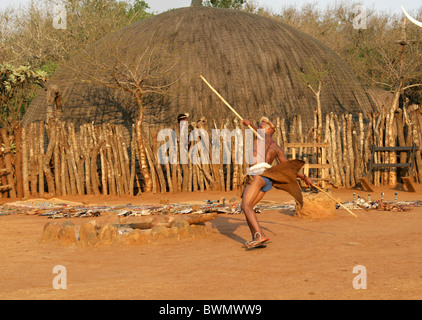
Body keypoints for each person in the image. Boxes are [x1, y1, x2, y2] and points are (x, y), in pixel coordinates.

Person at [240, 116, 314, 249]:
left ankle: (259, 235)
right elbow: (287, 167)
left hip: (257, 175)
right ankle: (256, 237)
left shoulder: (260, 136)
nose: (259, 127)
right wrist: (304, 177)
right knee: (248, 207)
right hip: (267, 178)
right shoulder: (277, 147)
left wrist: (249, 124)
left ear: (268, 130)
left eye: (261, 126)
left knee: (245, 206)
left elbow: (255, 129)